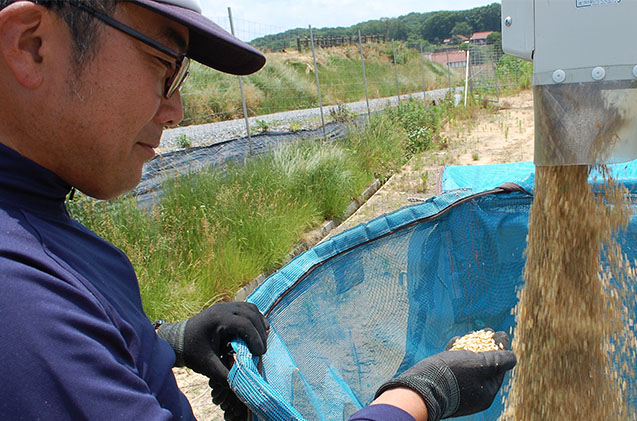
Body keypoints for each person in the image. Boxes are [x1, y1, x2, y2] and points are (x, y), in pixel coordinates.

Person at [0, 0, 516, 419]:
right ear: (31, 45)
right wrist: (417, 398)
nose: (176, 110)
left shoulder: (39, 219)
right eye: (163, 64)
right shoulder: (18, 299)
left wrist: (164, 342)